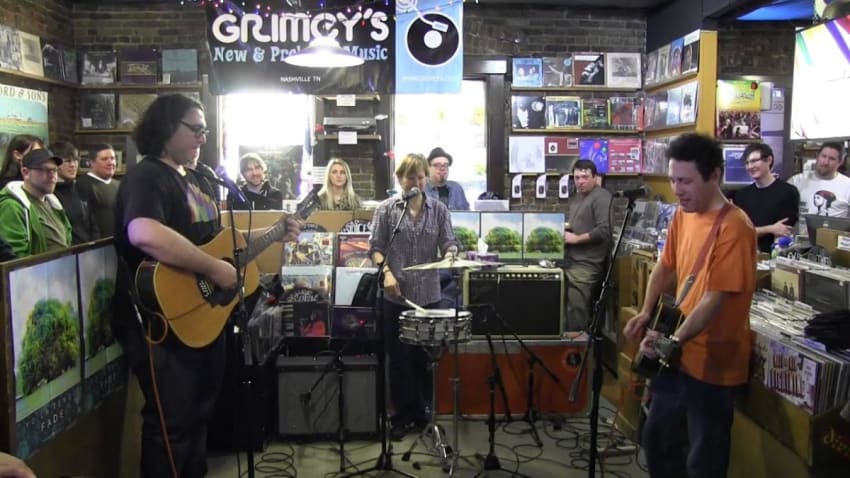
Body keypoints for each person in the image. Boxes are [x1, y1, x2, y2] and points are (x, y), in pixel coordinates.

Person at [111, 93, 299, 477]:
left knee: (199, 416)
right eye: (194, 129)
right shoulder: (148, 176)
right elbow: (144, 232)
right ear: (166, 128)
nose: (201, 138)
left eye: (205, 130)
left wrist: (275, 232)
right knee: (172, 423)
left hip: (202, 319)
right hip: (162, 319)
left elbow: (218, 240)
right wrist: (214, 269)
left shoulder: (197, 179)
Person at [623, 133, 756, 478]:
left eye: (686, 181)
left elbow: (715, 297)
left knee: (703, 458)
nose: (677, 189)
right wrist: (645, 311)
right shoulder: (684, 215)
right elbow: (666, 266)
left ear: (714, 175)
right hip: (677, 355)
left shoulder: (735, 227)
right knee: (657, 439)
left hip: (713, 363)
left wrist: (674, 340)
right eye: (672, 179)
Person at [369, 153, 457, 441]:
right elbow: (375, 248)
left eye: (421, 177)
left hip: (429, 297)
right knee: (399, 360)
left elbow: (449, 242)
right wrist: (387, 274)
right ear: (400, 179)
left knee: (424, 359)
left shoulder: (439, 210)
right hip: (396, 297)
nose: (416, 182)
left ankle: (424, 415)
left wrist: (452, 253)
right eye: (411, 177)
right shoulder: (386, 210)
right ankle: (402, 416)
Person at [563, 159, 612, 333]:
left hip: (587, 264)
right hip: (571, 260)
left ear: (594, 177)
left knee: (576, 309)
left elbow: (604, 230)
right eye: (577, 177)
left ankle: (578, 350)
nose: (580, 181)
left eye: (585, 177)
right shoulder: (578, 197)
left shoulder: (601, 197)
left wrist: (575, 239)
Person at [0, 149, 72, 258]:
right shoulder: (12, 206)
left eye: (55, 170)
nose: (52, 175)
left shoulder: (53, 203)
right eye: (45, 170)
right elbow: (15, 257)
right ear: (25, 172)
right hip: (39, 273)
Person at [732, 143, 799, 253]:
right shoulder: (742, 195)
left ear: (768, 160)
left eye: (754, 161)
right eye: (747, 163)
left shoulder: (788, 192)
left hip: (776, 256)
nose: (750, 167)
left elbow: (783, 230)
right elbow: (739, 232)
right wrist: (771, 228)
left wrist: (755, 231)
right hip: (745, 253)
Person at [51, 141, 99, 244]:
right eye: (67, 161)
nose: (73, 165)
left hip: (88, 250)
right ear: (56, 164)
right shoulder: (51, 193)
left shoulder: (81, 187)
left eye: (76, 160)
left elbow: (92, 223)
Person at [788, 142, 850, 217]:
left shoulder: (847, 185)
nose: (826, 162)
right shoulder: (796, 181)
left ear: (840, 162)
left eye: (832, 159)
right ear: (817, 156)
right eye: (823, 156)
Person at [76, 144, 120, 237]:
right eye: (104, 159)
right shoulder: (82, 185)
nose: (110, 162)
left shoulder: (119, 185)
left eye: (112, 158)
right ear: (91, 162)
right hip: (98, 246)